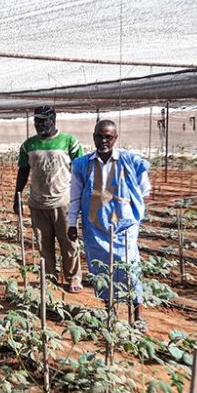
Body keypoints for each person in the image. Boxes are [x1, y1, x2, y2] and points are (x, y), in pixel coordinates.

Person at [67, 120, 152, 325]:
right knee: (101, 268)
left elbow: (144, 190)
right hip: (94, 227)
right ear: (93, 137)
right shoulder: (83, 164)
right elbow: (75, 196)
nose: (103, 140)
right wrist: (72, 223)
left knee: (130, 266)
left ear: (115, 138)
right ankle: (110, 312)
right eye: (99, 136)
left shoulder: (131, 161)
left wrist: (124, 206)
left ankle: (138, 315)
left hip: (124, 227)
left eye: (108, 137)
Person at [13, 105, 83, 292]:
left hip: (63, 201)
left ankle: (73, 277)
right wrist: (16, 196)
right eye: (36, 121)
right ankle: (50, 277)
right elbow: (23, 171)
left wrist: (80, 199)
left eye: (43, 121)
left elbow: (80, 172)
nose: (39, 125)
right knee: (44, 244)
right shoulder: (28, 145)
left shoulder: (69, 142)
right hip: (37, 203)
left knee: (68, 242)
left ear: (53, 120)